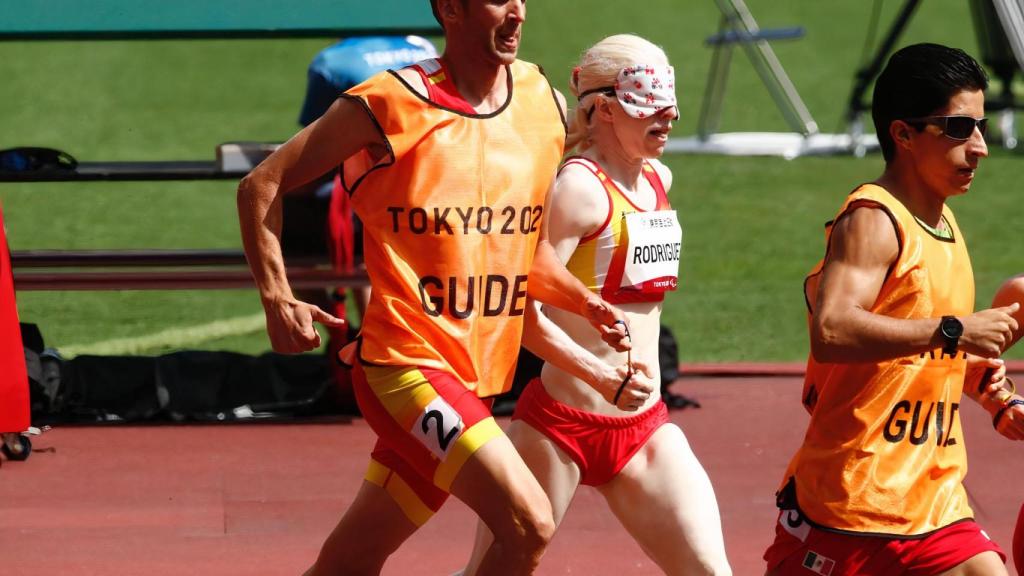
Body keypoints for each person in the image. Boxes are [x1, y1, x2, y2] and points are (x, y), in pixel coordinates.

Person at [236, 1, 634, 574]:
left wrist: (584, 302)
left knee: (351, 561)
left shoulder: (541, 102)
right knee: (529, 522)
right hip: (405, 368)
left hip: (477, 379)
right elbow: (262, 185)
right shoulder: (388, 102)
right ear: (451, 9)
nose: (518, 12)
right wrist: (277, 298)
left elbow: (522, 250)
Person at [463, 34, 731, 575]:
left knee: (710, 570)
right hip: (559, 427)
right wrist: (597, 373)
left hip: (643, 426)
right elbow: (519, 312)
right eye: (650, 104)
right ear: (606, 109)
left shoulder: (659, 178)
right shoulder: (577, 190)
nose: (670, 117)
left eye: (670, 102)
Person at [764, 43, 1022, 576]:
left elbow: (920, 348)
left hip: (934, 500)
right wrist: (956, 331)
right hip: (851, 504)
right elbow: (832, 330)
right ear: (903, 134)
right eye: (958, 128)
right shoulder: (873, 220)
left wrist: (986, 388)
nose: (980, 147)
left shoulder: (944, 223)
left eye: (980, 126)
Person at [283, 35, 439, 319]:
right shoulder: (423, 48)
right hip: (431, 193)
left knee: (284, 215)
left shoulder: (331, 63)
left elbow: (318, 152)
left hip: (370, 203)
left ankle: (341, 328)